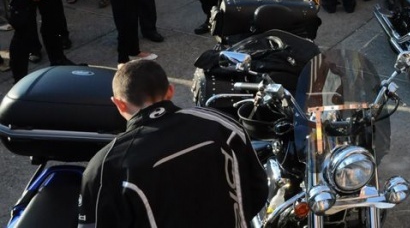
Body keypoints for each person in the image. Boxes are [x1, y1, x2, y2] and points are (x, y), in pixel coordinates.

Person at [78, 59, 268, 227]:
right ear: (170, 90)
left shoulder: (105, 166)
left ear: (118, 103)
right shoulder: (222, 125)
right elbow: (258, 190)